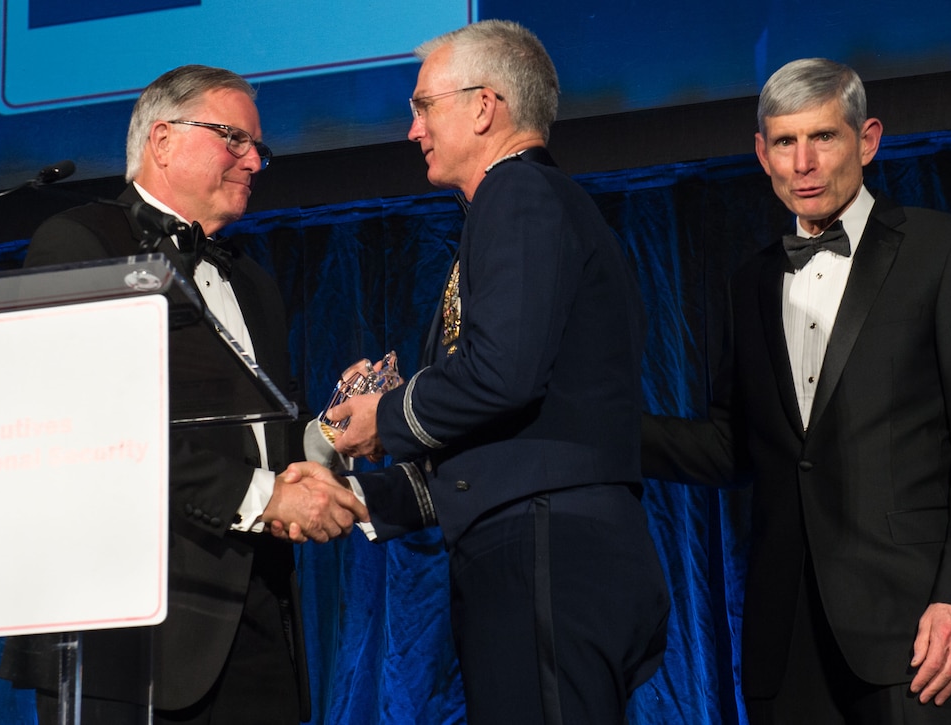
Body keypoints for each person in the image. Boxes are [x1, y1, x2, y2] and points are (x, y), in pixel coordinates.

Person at [265, 19, 670, 725]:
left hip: (545, 549)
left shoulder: (518, 195)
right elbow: (490, 440)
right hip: (540, 544)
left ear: (484, 106)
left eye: (423, 106)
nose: (411, 130)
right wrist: (358, 497)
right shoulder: (520, 208)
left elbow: (501, 377)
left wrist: (383, 416)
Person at [641, 57, 951, 724]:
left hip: (915, 634)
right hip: (786, 640)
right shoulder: (750, 282)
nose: (804, 163)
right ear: (762, 154)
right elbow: (738, 446)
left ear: (867, 139)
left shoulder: (945, 252)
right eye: (786, 143)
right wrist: (599, 422)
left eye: (824, 137)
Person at [0, 64, 369, 724]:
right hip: (129, 638)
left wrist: (325, 439)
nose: (255, 159)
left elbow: (261, 443)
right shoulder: (82, 242)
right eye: (234, 137)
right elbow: (92, 431)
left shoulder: (251, 280)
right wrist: (264, 496)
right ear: (162, 140)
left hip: (255, 622)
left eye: (259, 146)